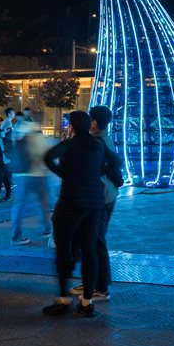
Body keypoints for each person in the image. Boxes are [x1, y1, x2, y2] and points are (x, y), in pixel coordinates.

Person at [42, 110, 123, 319]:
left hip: (71, 202)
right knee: (89, 250)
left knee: (63, 247)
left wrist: (64, 173)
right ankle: (87, 302)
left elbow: (48, 157)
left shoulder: (70, 144)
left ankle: (63, 299)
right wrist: (97, 173)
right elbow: (117, 162)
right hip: (94, 203)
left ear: (72, 126)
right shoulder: (97, 145)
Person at [70, 105, 118, 301]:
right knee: (93, 241)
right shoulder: (106, 138)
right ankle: (92, 281)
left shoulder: (95, 142)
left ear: (94, 122)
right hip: (108, 194)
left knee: (96, 243)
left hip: (99, 197)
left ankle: (101, 288)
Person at [9, 112, 53, 245]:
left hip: (19, 175)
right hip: (37, 175)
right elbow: (45, 154)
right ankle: (46, 230)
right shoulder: (37, 134)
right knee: (42, 203)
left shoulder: (18, 134)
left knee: (18, 206)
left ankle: (15, 236)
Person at [0, 107, 16, 201]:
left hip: (5, 152)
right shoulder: (8, 122)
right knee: (3, 175)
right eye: (13, 112)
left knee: (4, 175)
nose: (14, 113)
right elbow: (4, 135)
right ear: (9, 114)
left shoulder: (7, 122)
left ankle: (5, 195)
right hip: (5, 151)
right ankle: (0, 195)